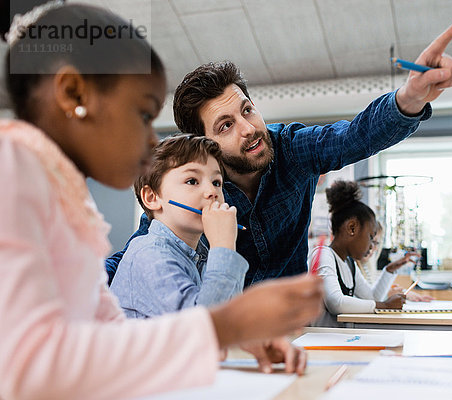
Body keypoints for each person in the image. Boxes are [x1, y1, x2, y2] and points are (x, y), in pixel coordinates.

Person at [0, 3, 323, 399]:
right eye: (142, 114)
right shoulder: (12, 168)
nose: (152, 141)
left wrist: (236, 339)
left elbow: (111, 334)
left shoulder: (63, 196)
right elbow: (27, 367)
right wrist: (223, 327)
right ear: (72, 94)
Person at [105, 19, 452, 287]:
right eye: (225, 125)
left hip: (292, 323)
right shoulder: (193, 188)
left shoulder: (293, 148)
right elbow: (144, 247)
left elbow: (356, 135)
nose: (248, 128)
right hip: (231, 326)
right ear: (205, 144)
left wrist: (410, 98)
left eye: (247, 110)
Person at [110, 134, 249, 318]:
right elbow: (204, 328)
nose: (211, 192)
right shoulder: (149, 255)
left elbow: (230, 320)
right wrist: (223, 247)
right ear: (152, 198)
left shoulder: (201, 255)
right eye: (192, 181)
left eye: (216, 182)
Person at [309, 180, 418, 327]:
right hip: (318, 343)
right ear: (352, 228)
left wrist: (389, 270)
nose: (371, 245)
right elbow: (336, 303)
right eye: (370, 237)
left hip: (338, 339)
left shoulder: (349, 264)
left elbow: (371, 297)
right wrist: (384, 306)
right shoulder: (323, 255)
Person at [356, 221, 434, 302]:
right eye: (372, 241)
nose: (374, 248)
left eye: (376, 243)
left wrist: (404, 293)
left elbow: (370, 296)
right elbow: (366, 300)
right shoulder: (351, 267)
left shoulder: (364, 267)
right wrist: (387, 295)